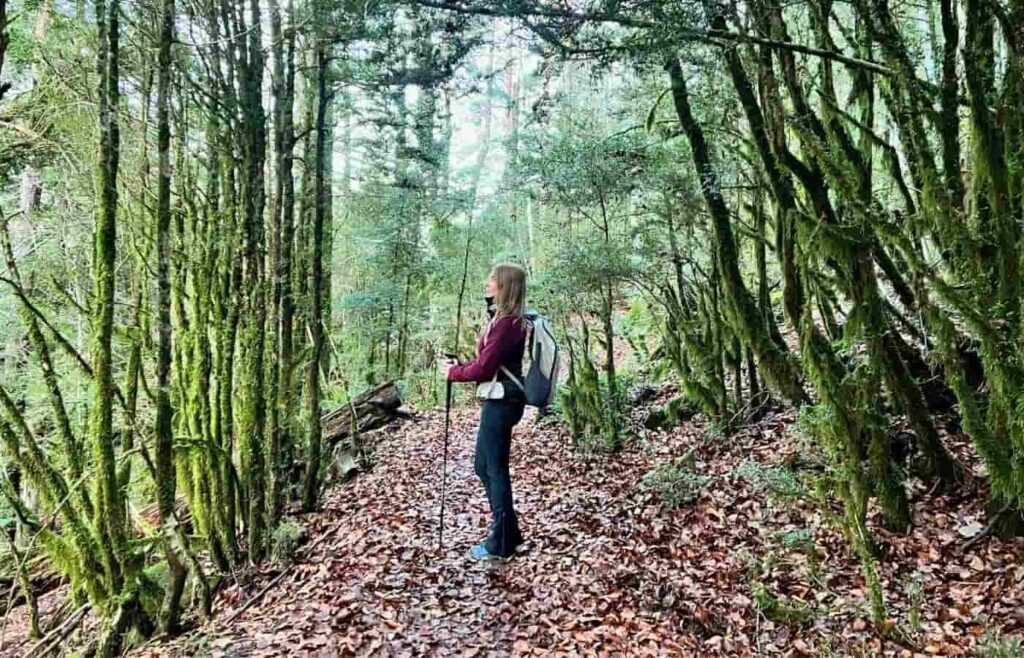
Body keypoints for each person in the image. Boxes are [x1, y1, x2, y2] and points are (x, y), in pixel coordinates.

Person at [444, 264, 528, 562]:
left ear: (504, 286)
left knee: (493, 467)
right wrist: (461, 367)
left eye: (492, 279)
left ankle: (500, 543)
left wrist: (454, 372)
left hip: (502, 401)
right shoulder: (505, 320)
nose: (487, 282)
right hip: (502, 400)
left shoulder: (507, 324)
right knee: (484, 465)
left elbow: (484, 368)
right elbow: (486, 361)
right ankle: (510, 532)